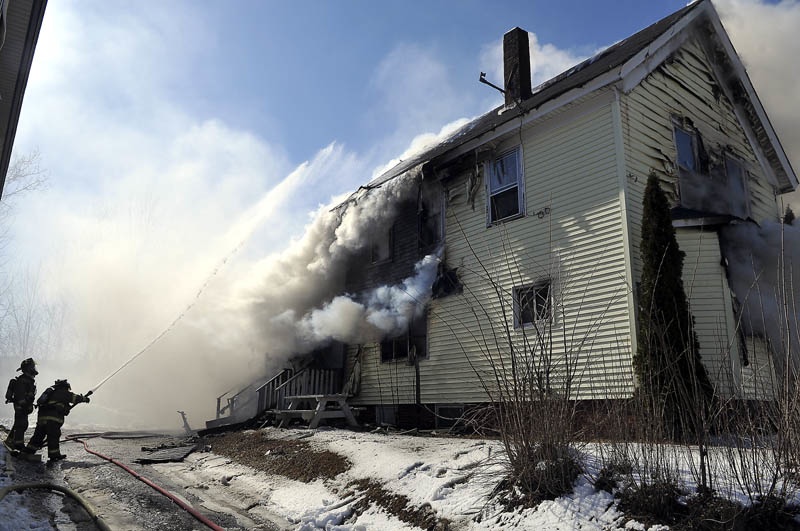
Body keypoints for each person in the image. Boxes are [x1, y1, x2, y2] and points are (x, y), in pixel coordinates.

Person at [23, 379, 90, 461]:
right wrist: (84, 399)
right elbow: (74, 398)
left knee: (38, 436)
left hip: (41, 419)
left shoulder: (51, 393)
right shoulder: (62, 392)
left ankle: (28, 452)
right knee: (53, 436)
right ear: (64, 386)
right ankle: (54, 455)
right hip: (52, 420)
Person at [4, 358, 38, 451]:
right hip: (21, 405)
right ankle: (18, 445)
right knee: (22, 424)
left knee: (19, 423)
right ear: (28, 368)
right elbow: (20, 394)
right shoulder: (23, 380)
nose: (34, 368)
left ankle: (10, 440)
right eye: (32, 367)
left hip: (23, 405)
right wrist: (24, 405)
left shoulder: (28, 380)